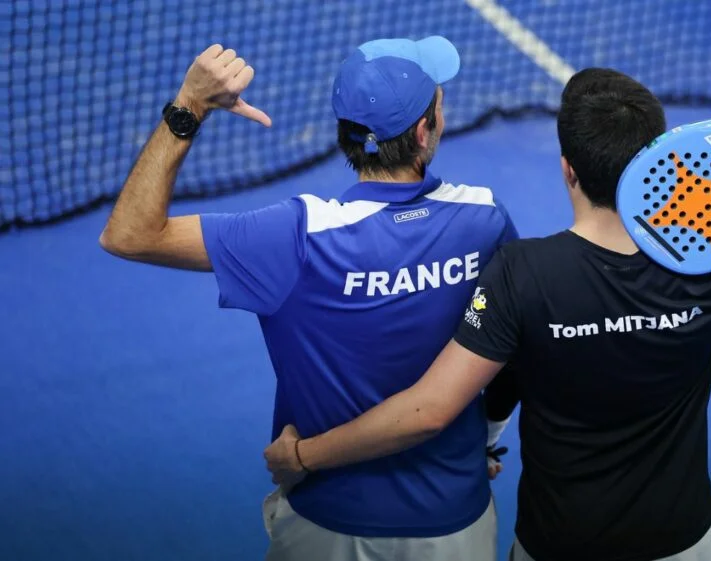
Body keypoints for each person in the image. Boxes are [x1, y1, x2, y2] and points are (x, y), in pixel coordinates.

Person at [264, 60, 711, 561]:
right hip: (682, 542)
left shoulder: (522, 275)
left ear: (567, 170)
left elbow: (429, 410)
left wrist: (304, 457)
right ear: (659, 157)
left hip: (559, 545)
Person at [99, 36, 518, 561]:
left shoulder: (295, 236)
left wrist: (190, 105)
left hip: (329, 527)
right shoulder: (485, 219)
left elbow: (129, 235)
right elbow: (509, 355)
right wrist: (484, 440)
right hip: (455, 526)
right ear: (423, 131)